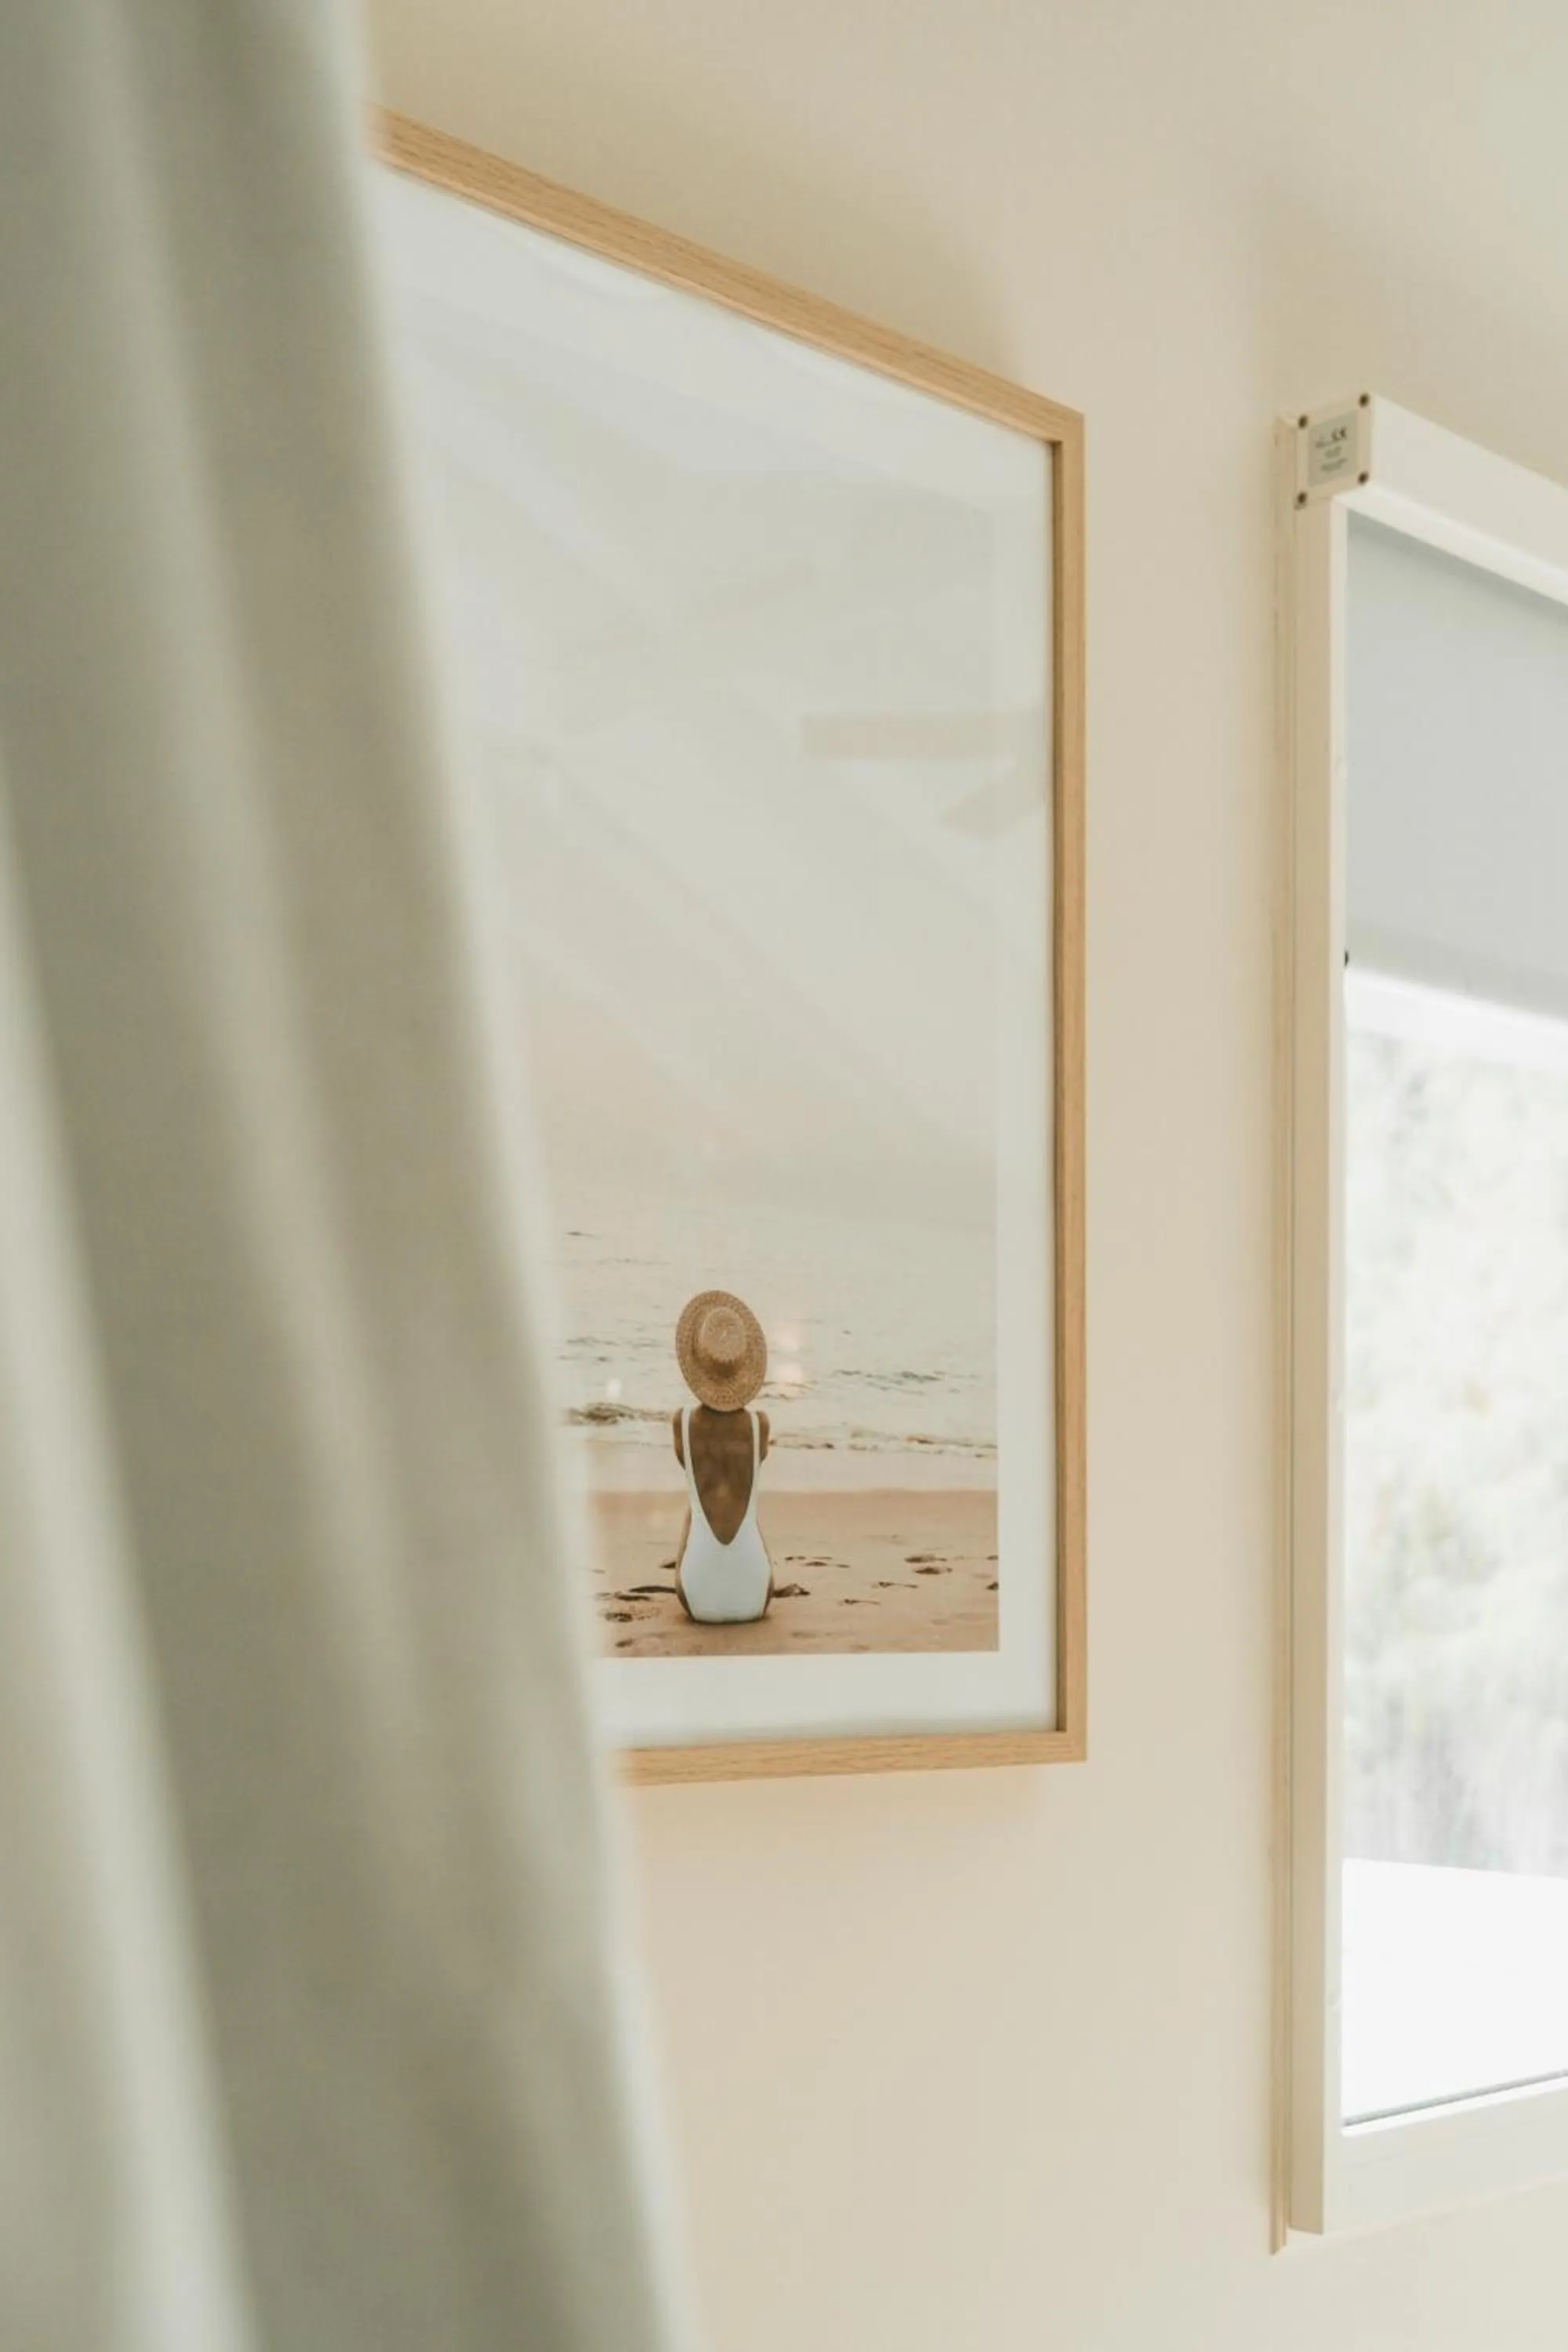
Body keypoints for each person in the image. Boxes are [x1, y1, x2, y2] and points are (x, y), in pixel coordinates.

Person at [671, 1291, 774, 1623]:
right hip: (755, 1596)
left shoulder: (683, 1423)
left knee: (695, 1508)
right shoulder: (760, 1426)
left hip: (698, 1600)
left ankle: (706, 1567)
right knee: (748, 1509)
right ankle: (743, 1567)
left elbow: (691, 1469)